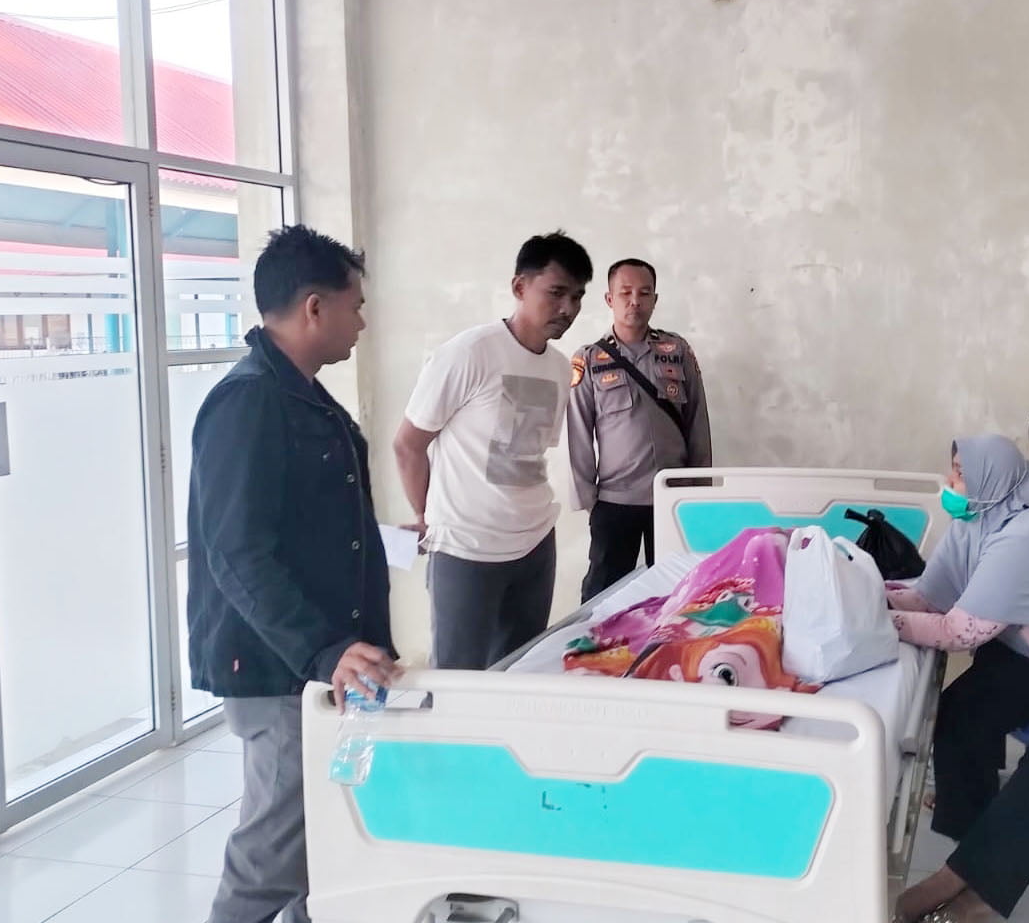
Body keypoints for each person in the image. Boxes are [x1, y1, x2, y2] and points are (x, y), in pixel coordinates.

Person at [187, 225, 397, 923]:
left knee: (324, 842)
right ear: (315, 307)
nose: (361, 321)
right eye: (355, 306)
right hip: (280, 665)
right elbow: (236, 551)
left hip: (324, 660)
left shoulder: (303, 395)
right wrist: (322, 650)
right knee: (273, 853)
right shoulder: (249, 401)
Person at [886, 436, 1029, 921]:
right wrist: (868, 590)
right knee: (958, 713)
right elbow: (928, 598)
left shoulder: (1027, 539)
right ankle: (974, 848)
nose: (951, 482)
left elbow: (958, 631)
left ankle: (976, 892)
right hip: (1028, 657)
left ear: (993, 480)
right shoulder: (975, 523)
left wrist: (876, 621)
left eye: (960, 473)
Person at [394, 231, 591, 670]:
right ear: (520, 287)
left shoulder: (561, 369)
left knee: (517, 670)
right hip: (466, 546)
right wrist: (426, 516)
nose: (568, 308)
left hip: (535, 542)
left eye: (578, 297)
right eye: (556, 293)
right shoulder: (469, 353)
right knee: (458, 677)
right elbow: (408, 445)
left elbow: (527, 455)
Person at [569, 258, 713, 601]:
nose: (635, 301)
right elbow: (577, 433)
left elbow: (698, 421)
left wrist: (700, 490)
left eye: (644, 293)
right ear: (609, 299)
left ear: (654, 299)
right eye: (626, 293)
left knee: (677, 592)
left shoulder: (676, 351)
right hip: (615, 500)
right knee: (603, 596)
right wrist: (589, 501)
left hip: (674, 498)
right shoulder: (589, 359)